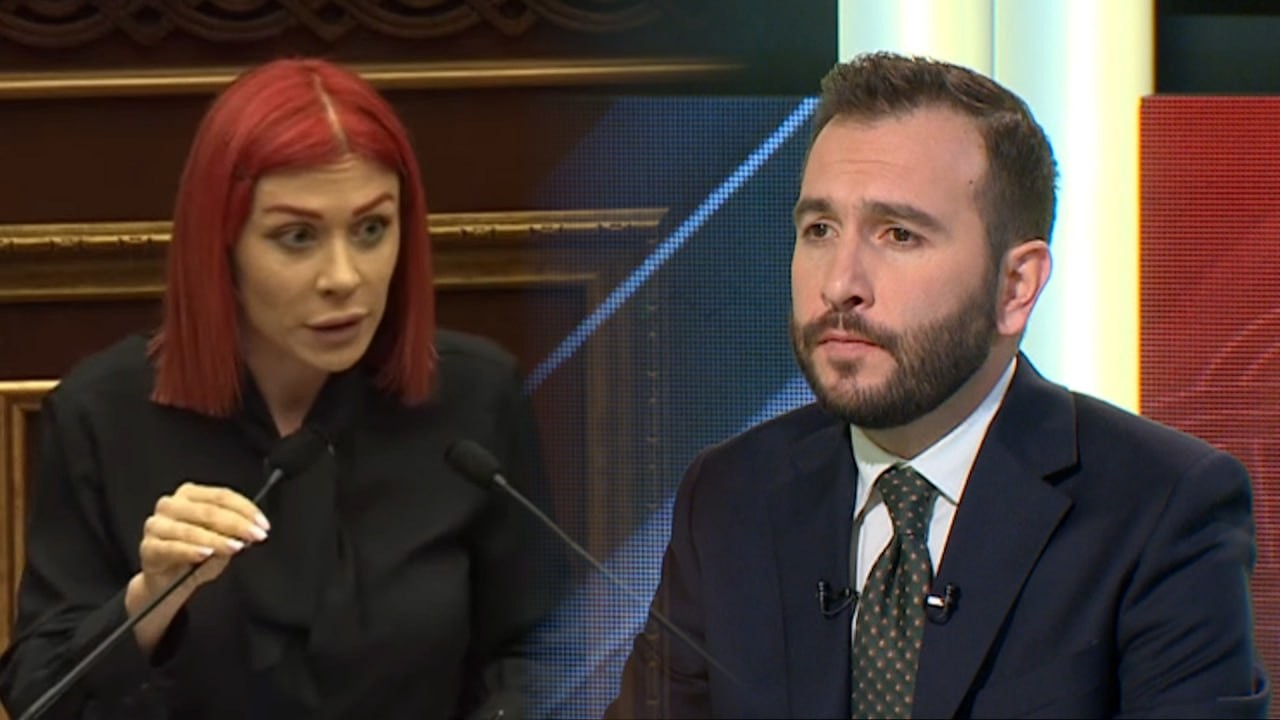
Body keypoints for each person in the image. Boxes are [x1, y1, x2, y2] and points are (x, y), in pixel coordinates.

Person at [608, 52, 1270, 718]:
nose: (839, 283)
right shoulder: (730, 497)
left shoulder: (1161, 508)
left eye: (898, 234)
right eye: (819, 230)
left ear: (1015, 287)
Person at [0, 58, 548, 719]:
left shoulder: (474, 398)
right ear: (222, 244)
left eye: (372, 229)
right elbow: (40, 697)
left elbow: (537, 652)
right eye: (297, 237)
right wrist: (151, 599)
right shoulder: (102, 416)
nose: (344, 277)